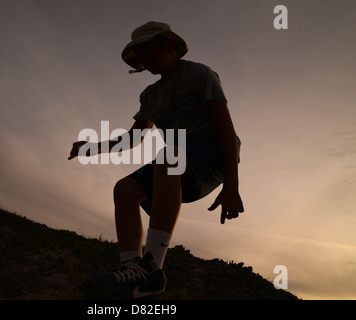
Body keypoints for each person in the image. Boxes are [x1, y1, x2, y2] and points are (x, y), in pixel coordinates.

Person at [68, 21, 244, 300]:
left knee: (168, 155)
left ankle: (151, 266)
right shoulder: (149, 96)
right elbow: (131, 138)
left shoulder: (199, 74)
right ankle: (132, 275)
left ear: (169, 45)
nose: (146, 60)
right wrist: (93, 147)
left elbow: (226, 130)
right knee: (124, 190)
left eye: (150, 50)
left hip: (214, 155)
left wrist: (232, 187)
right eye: (141, 56)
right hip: (176, 162)